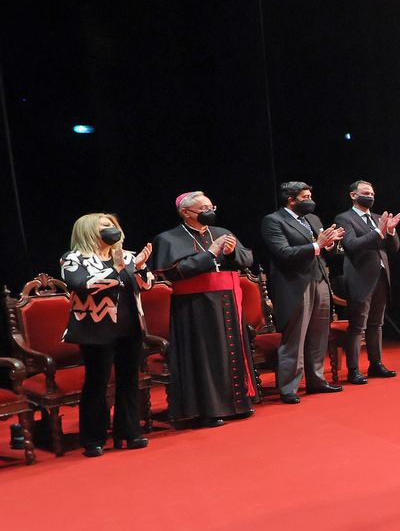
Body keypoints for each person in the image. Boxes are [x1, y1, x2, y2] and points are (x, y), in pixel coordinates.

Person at [151, 191, 257, 427]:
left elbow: (247, 258)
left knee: (231, 352)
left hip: (227, 300)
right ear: (185, 212)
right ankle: (208, 410)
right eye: (203, 208)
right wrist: (210, 254)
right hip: (195, 306)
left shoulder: (222, 233)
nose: (209, 212)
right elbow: (173, 272)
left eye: (212, 207)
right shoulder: (168, 239)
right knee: (205, 356)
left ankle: (238, 404)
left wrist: (231, 252)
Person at [60, 213, 152, 455]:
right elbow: (81, 284)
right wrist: (117, 271)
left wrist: (140, 268)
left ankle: (130, 432)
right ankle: (93, 438)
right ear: (88, 230)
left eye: (112, 225)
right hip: (95, 328)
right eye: (104, 226)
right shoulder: (74, 258)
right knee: (97, 381)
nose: (110, 229)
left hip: (129, 325)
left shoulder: (128, 255)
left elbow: (146, 285)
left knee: (129, 380)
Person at [260, 181, 345, 402]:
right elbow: (284, 253)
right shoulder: (274, 221)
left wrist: (329, 244)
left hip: (319, 280)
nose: (309, 201)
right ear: (291, 200)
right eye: (305, 197)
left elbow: (320, 249)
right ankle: (289, 388)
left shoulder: (313, 219)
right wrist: (318, 245)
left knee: (319, 335)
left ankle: (317, 380)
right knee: (295, 338)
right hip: (294, 284)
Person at [334, 180, 400, 383]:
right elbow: (351, 245)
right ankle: (353, 369)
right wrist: (378, 232)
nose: (370, 196)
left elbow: (393, 248)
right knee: (357, 325)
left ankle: (376, 364)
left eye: (372, 193)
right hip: (359, 277)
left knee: (376, 323)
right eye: (365, 193)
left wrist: (390, 232)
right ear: (353, 195)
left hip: (381, 276)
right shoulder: (344, 218)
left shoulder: (378, 218)